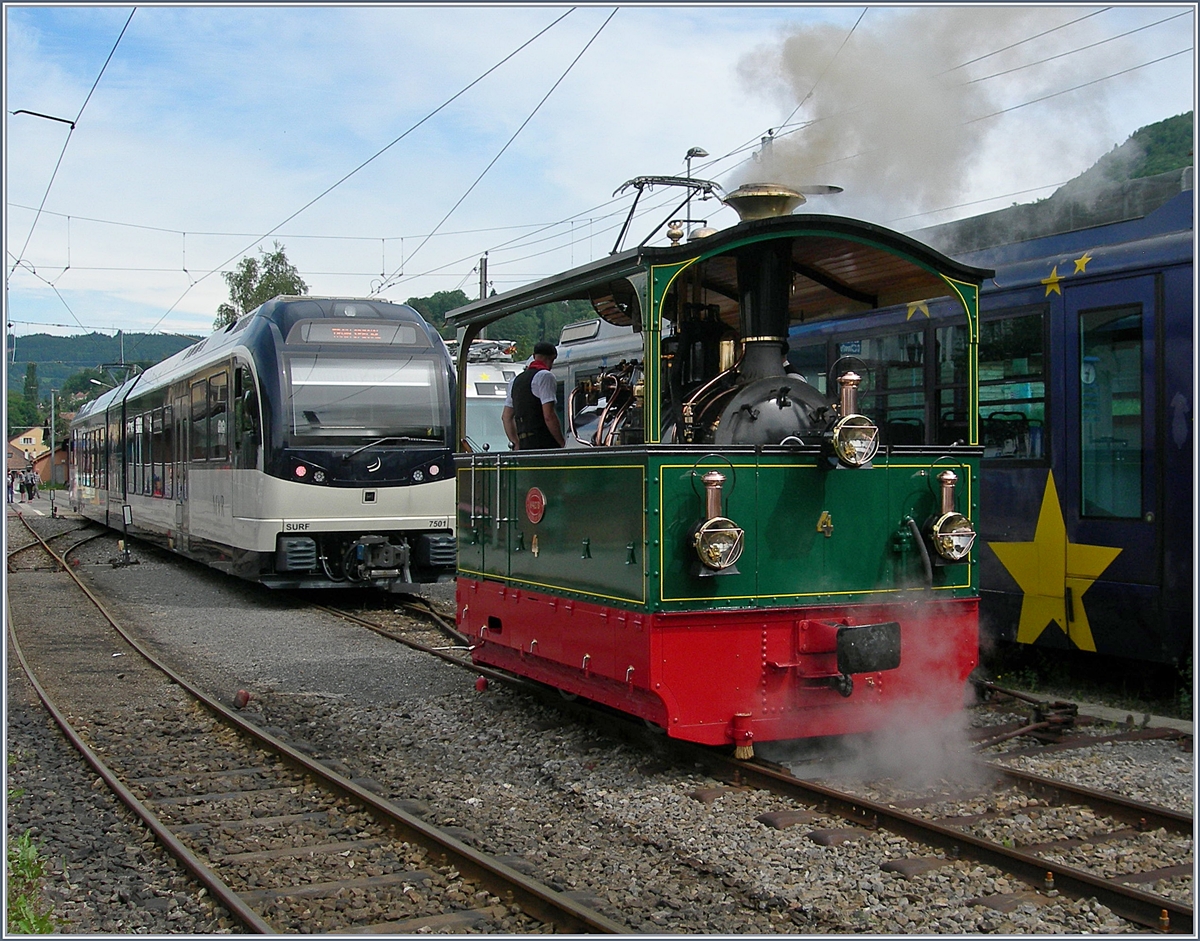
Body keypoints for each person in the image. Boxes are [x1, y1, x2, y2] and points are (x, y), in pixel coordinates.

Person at [502, 341, 565, 450]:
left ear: (534, 356)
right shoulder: (545, 376)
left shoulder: (514, 381)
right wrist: (562, 443)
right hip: (544, 442)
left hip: (524, 444)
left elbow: (506, 417)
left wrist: (516, 443)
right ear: (551, 358)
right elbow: (549, 416)